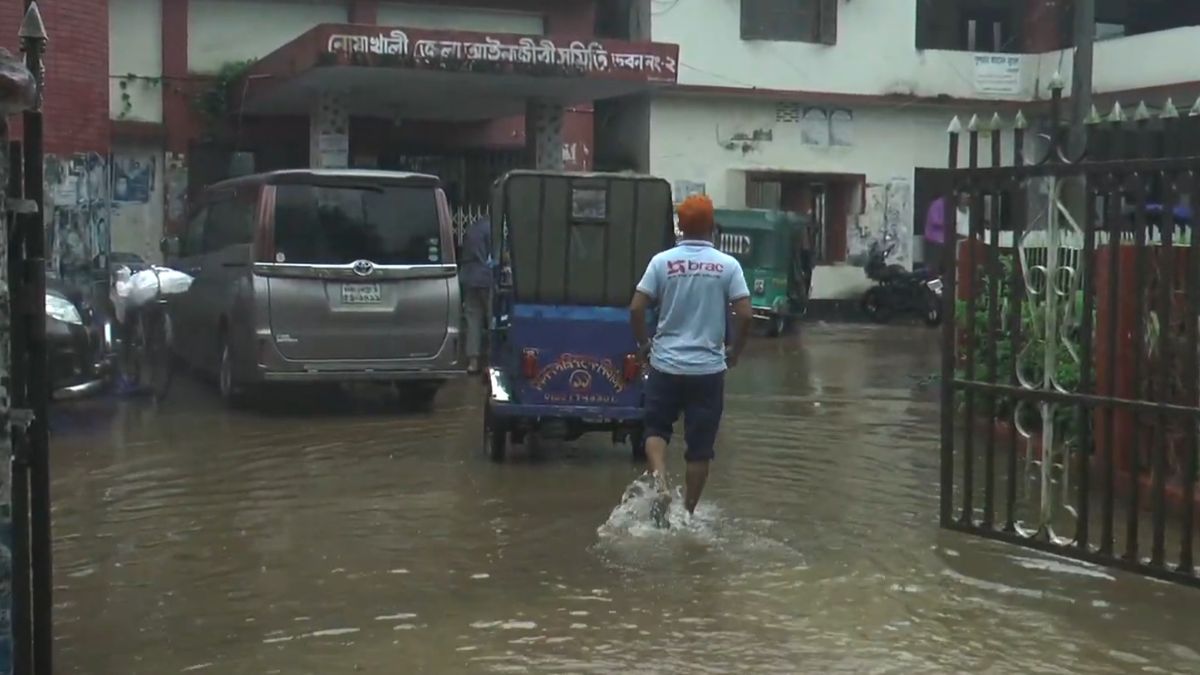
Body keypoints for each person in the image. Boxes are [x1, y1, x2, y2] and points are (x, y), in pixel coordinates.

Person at [629, 194, 753, 518]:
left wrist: (645, 345)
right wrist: (735, 352)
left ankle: (660, 483)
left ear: (680, 227)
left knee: (655, 430)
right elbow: (746, 314)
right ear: (712, 226)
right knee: (700, 450)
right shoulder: (728, 266)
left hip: (665, 364)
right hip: (708, 370)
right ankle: (687, 513)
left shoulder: (661, 262)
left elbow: (636, 307)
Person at [459, 215, 493, 374]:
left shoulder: (472, 229)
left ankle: (473, 362)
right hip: (487, 278)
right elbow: (498, 255)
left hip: (468, 277)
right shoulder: (492, 228)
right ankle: (492, 361)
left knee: (473, 320)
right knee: (491, 319)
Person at [923, 192, 969, 276]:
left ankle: (941, 287)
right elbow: (935, 220)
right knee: (933, 269)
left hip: (945, 241)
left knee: (945, 268)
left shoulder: (950, 205)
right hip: (934, 240)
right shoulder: (938, 204)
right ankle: (932, 288)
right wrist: (950, 223)